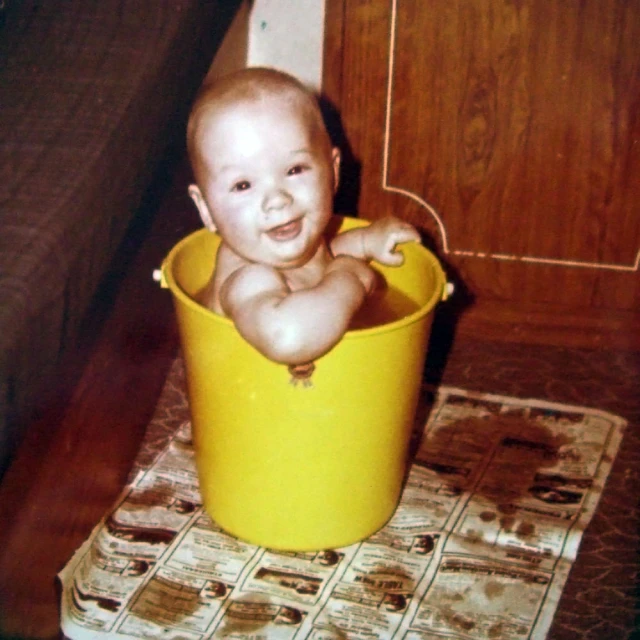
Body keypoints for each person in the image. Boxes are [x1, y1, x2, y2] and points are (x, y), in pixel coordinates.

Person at [186, 67, 420, 367]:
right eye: (243, 185)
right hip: (260, 407)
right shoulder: (248, 278)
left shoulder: (276, 244)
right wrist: (349, 276)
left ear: (333, 171)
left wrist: (363, 242)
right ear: (205, 208)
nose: (277, 200)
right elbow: (288, 338)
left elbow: (316, 261)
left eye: (294, 170)